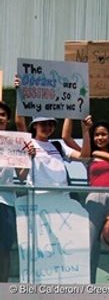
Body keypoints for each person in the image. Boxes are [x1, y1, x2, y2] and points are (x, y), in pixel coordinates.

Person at [78, 115, 109, 283]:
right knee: (90, 246)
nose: (99, 138)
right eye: (96, 134)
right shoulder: (90, 157)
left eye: (103, 134)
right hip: (94, 201)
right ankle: (88, 285)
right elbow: (81, 154)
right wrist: (85, 130)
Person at [0, 100, 33, 282]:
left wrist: (28, 157)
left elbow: (21, 176)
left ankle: (3, 288)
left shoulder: (13, 143)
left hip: (6, 203)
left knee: (4, 249)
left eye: (3, 115)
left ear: (7, 120)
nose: (0, 117)